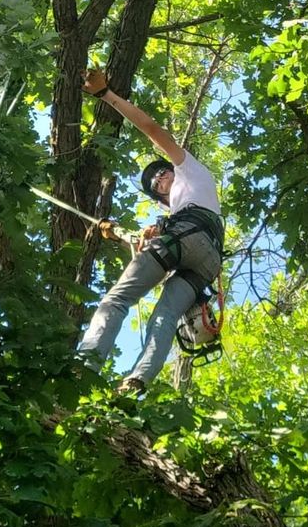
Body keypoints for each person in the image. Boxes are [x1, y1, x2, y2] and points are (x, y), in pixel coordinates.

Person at [77, 68, 224, 394]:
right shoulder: (177, 210)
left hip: (188, 239)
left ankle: (83, 371)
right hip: (206, 260)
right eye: (154, 186)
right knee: (165, 316)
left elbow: (150, 128)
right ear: (160, 200)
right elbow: (162, 235)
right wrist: (117, 232)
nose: (158, 180)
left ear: (172, 168)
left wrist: (105, 95)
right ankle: (136, 382)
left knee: (115, 300)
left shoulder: (189, 170)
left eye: (160, 173)